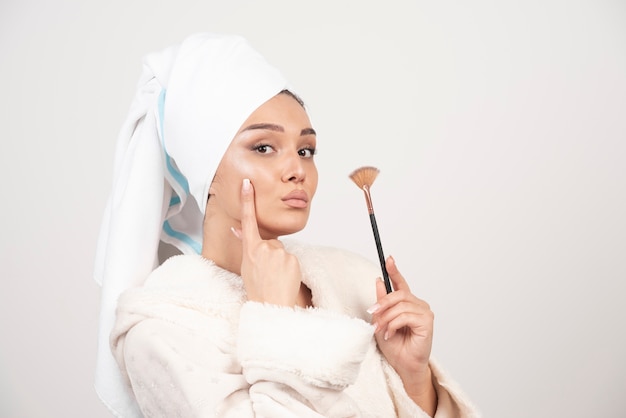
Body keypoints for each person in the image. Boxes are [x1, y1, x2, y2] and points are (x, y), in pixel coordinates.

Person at [94, 33, 480, 417]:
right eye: (264, 147)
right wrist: (274, 319)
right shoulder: (160, 330)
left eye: (305, 150)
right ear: (205, 170)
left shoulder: (356, 280)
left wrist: (413, 379)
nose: (297, 169)